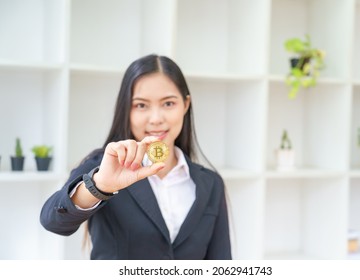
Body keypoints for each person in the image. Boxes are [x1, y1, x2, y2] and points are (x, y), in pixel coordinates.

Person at [40, 54, 232, 260]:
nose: (156, 119)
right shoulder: (102, 169)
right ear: (126, 109)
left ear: (185, 105)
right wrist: (100, 187)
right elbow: (53, 221)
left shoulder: (211, 184)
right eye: (141, 105)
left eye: (168, 103)